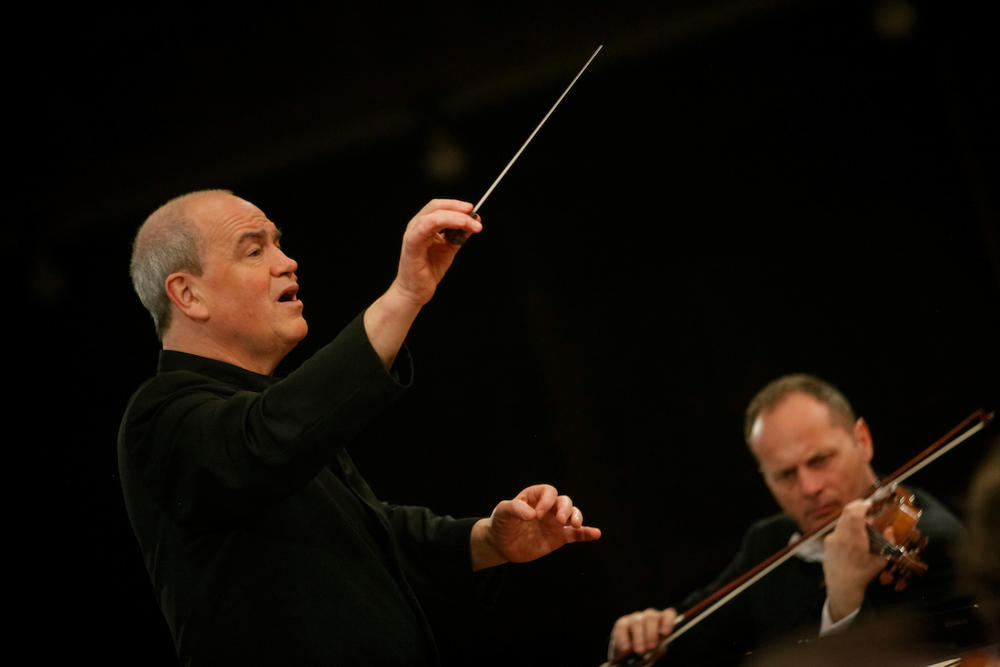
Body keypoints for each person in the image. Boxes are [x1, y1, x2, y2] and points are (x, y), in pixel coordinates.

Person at [118, 189, 602, 666]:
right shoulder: (159, 415)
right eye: (254, 250)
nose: (287, 262)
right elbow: (267, 437)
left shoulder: (269, 412)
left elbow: (370, 535)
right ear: (188, 294)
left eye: (278, 243)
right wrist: (405, 295)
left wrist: (488, 540)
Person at [607, 374, 967, 665]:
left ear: (862, 440)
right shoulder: (768, 541)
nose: (809, 488)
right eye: (785, 475)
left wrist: (843, 605)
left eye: (820, 460)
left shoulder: (935, 543)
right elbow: (697, 636)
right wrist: (650, 634)